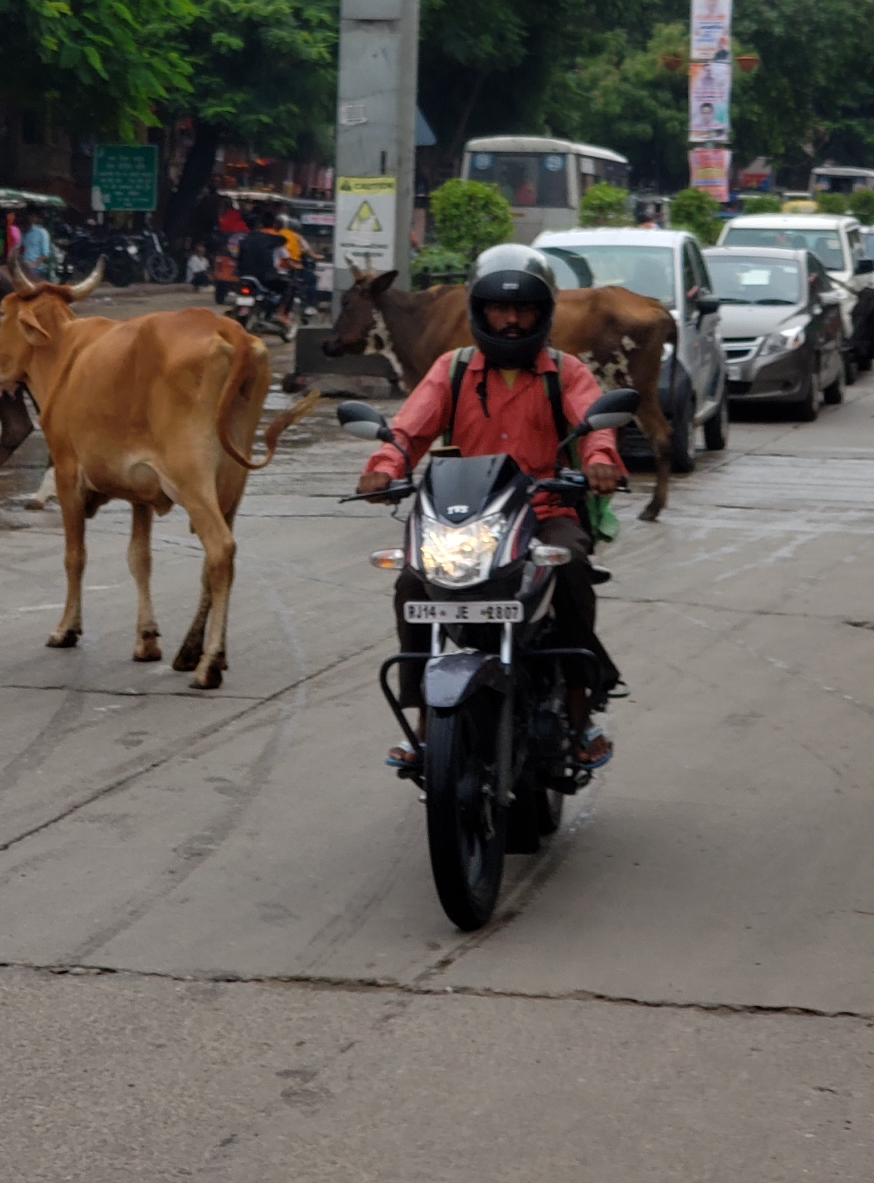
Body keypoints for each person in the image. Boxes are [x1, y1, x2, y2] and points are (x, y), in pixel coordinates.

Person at [357, 244, 624, 771]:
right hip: (466, 517)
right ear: (479, 312)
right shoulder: (451, 370)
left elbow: (596, 423)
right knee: (412, 581)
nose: (510, 320)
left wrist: (599, 461)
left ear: (542, 313)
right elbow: (409, 428)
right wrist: (385, 466)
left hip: (544, 511)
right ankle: (426, 721)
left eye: (523, 309)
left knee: (568, 566)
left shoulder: (565, 372)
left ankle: (577, 707)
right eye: (499, 309)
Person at [236, 208, 291, 326]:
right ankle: (281, 314)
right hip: (264, 276)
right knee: (289, 286)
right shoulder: (268, 238)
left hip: (243, 275)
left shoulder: (246, 238)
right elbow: (283, 240)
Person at [20, 206, 54, 278]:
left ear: (35, 218)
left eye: (33, 216)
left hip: (35, 269)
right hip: (21, 266)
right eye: (28, 216)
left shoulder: (41, 232)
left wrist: (33, 265)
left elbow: (45, 253)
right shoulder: (20, 232)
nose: (30, 218)